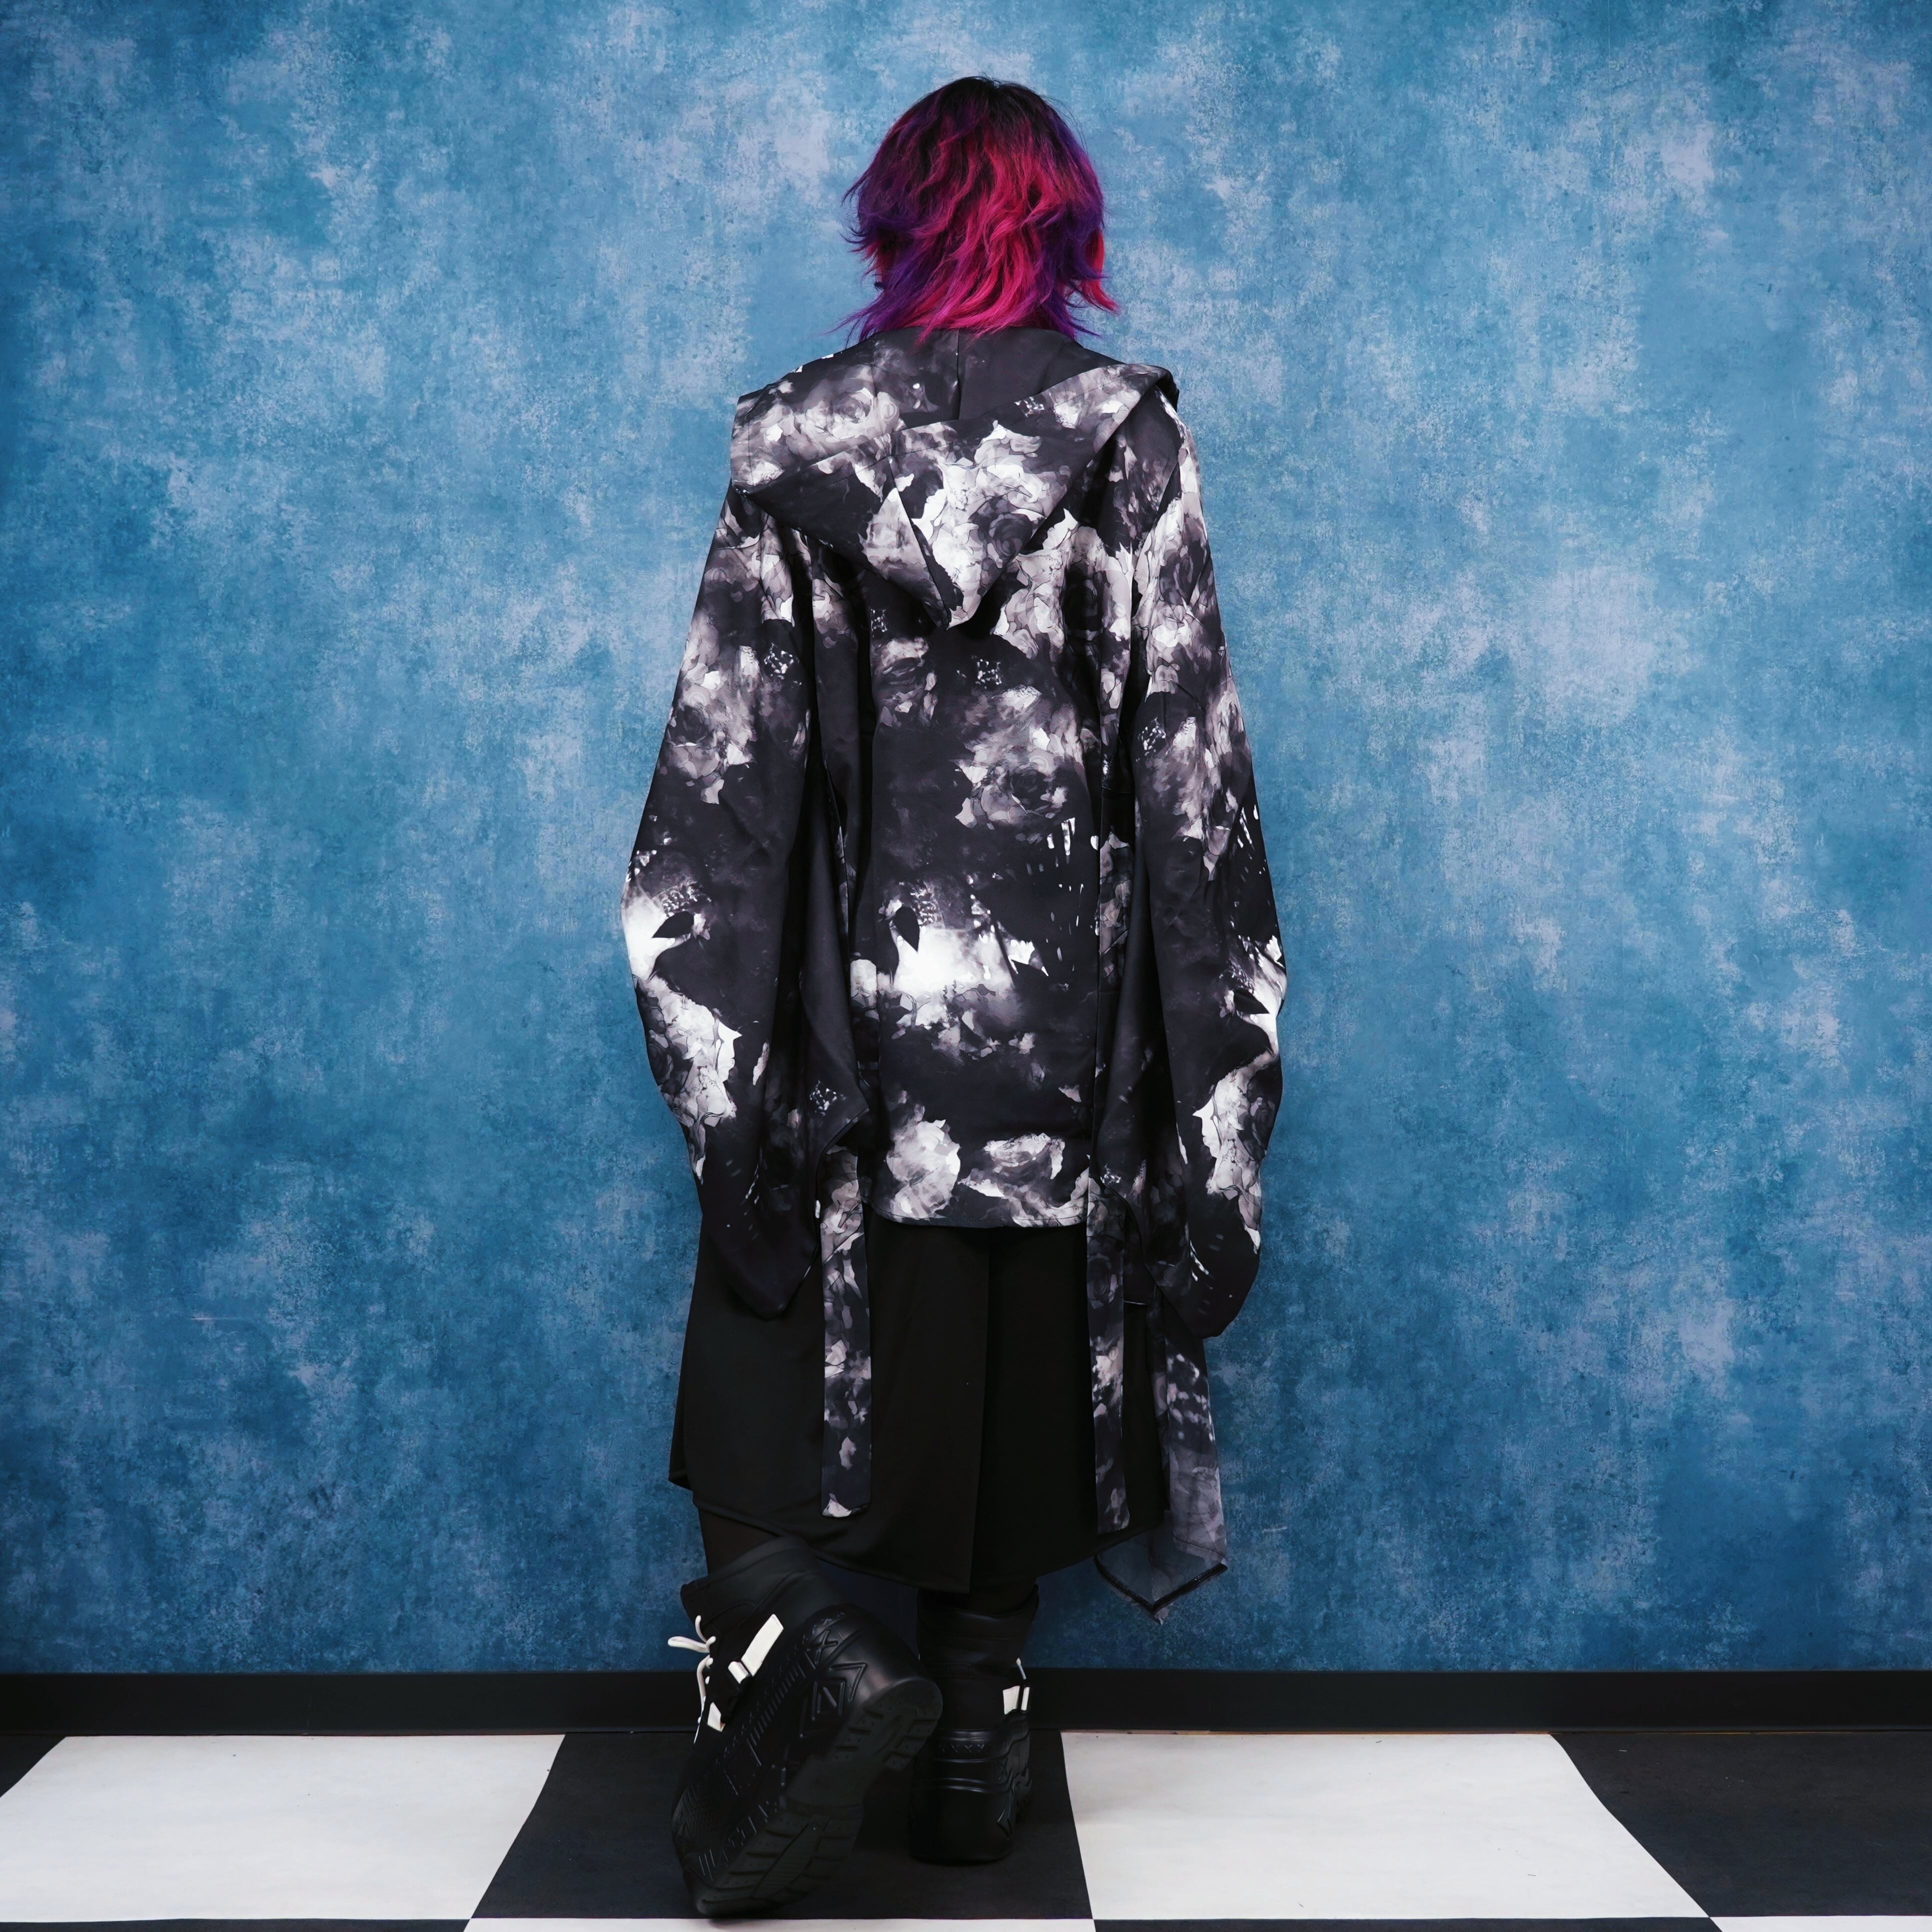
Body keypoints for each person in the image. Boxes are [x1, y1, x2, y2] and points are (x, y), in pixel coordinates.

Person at [622, 75, 1285, 1915]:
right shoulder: (1129, 443)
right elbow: (1195, 790)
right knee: (1008, 1384)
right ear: (1064, 229)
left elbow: (718, 802)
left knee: (772, 1346)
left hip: (849, 1043)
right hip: (1061, 1054)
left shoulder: (792, 445)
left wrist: (722, 1077)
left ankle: (809, 1651)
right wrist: (1218, 1112)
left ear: (893, 221)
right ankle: (976, 1743)